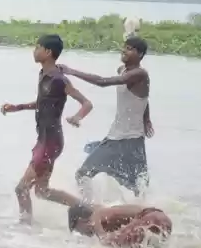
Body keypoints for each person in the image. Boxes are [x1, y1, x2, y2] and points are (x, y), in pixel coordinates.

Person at [1, 34, 93, 224]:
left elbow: (86, 103)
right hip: (43, 139)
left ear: (48, 52)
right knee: (42, 191)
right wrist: (16, 107)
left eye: (37, 47)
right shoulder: (43, 74)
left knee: (21, 188)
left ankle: (25, 227)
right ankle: (85, 209)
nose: (34, 51)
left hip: (51, 142)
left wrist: (77, 117)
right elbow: (42, 103)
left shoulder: (60, 80)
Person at [59, 36, 152, 200]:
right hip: (115, 137)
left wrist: (72, 71)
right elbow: (143, 98)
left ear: (140, 54)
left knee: (138, 186)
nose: (124, 50)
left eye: (129, 49)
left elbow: (102, 82)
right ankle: (90, 208)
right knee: (83, 174)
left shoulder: (140, 74)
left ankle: (140, 214)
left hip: (131, 139)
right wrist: (147, 118)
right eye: (124, 47)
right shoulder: (122, 70)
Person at [67, 202, 173, 248]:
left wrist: (102, 237)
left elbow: (105, 238)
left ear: (80, 221)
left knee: (110, 244)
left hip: (151, 217)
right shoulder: (105, 216)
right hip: (163, 220)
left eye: (78, 230)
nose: (83, 234)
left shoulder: (97, 215)